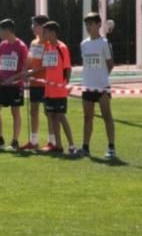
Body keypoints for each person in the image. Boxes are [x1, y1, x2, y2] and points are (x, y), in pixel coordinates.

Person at [79, 12, 116, 158]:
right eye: (86, 24)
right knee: (87, 117)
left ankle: (111, 147)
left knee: (107, 116)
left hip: (102, 86)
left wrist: (101, 77)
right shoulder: (84, 44)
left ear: (99, 25)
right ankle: (85, 147)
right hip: (87, 86)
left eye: (91, 24)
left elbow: (110, 64)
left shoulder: (104, 43)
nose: (88, 27)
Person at [40, 21, 77, 155]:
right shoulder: (47, 47)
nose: (43, 34)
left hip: (59, 90)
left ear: (53, 32)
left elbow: (67, 68)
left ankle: (72, 145)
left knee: (61, 116)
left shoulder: (62, 47)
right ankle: (58, 145)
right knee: (52, 116)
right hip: (49, 89)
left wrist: (65, 84)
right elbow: (46, 67)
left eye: (45, 32)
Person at [0, 19, 28, 149]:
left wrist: (12, 79)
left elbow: (25, 69)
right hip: (2, 85)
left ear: (7, 30)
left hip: (15, 86)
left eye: (0, 31)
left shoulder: (21, 46)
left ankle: (15, 140)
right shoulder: (2, 45)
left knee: (15, 112)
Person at [19, 14, 49, 150]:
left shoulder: (49, 43)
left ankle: (52, 141)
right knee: (33, 111)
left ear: (43, 27)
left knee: (49, 113)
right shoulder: (33, 43)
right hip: (34, 83)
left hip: (46, 83)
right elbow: (29, 60)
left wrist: (30, 73)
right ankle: (34, 141)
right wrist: (25, 70)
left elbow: (47, 64)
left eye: (35, 25)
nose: (32, 28)